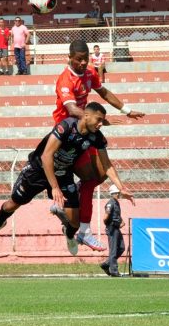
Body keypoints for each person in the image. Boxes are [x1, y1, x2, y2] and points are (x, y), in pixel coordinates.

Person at [0, 102, 133, 253]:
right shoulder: (66, 127)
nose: (102, 124)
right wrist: (54, 187)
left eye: (103, 121)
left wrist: (121, 188)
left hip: (63, 174)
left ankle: (69, 235)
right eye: (99, 120)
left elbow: (106, 164)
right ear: (86, 116)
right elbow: (46, 155)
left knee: (74, 221)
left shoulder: (97, 137)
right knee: (12, 204)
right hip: (38, 171)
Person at [53, 40, 145, 246]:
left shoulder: (89, 73)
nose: (84, 63)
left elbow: (103, 92)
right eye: (79, 59)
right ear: (69, 58)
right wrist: (97, 119)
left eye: (86, 59)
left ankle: (79, 221)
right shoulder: (65, 80)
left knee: (101, 174)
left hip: (86, 128)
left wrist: (126, 110)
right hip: (67, 134)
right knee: (91, 177)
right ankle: (80, 224)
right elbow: (71, 110)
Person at [101, 184, 127, 277]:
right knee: (113, 250)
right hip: (112, 228)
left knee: (121, 248)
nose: (119, 195)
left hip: (116, 228)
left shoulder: (116, 203)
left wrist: (121, 221)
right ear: (114, 193)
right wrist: (110, 226)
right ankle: (114, 271)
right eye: (118, 193)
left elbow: (117, 215)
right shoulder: (110, 203)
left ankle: (106, 264)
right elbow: (105, 218)